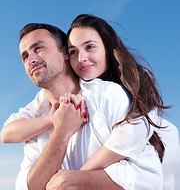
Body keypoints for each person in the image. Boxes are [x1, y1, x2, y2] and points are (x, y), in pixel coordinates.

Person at [1, 17, 179, 189]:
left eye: (38, 48)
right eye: (24, 57)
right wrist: (58, 126)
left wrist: (76, 179)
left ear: (63, 52)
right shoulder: (36, 117)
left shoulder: (111, 95)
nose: (30, 60)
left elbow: (147, 179)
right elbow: (29, 183)